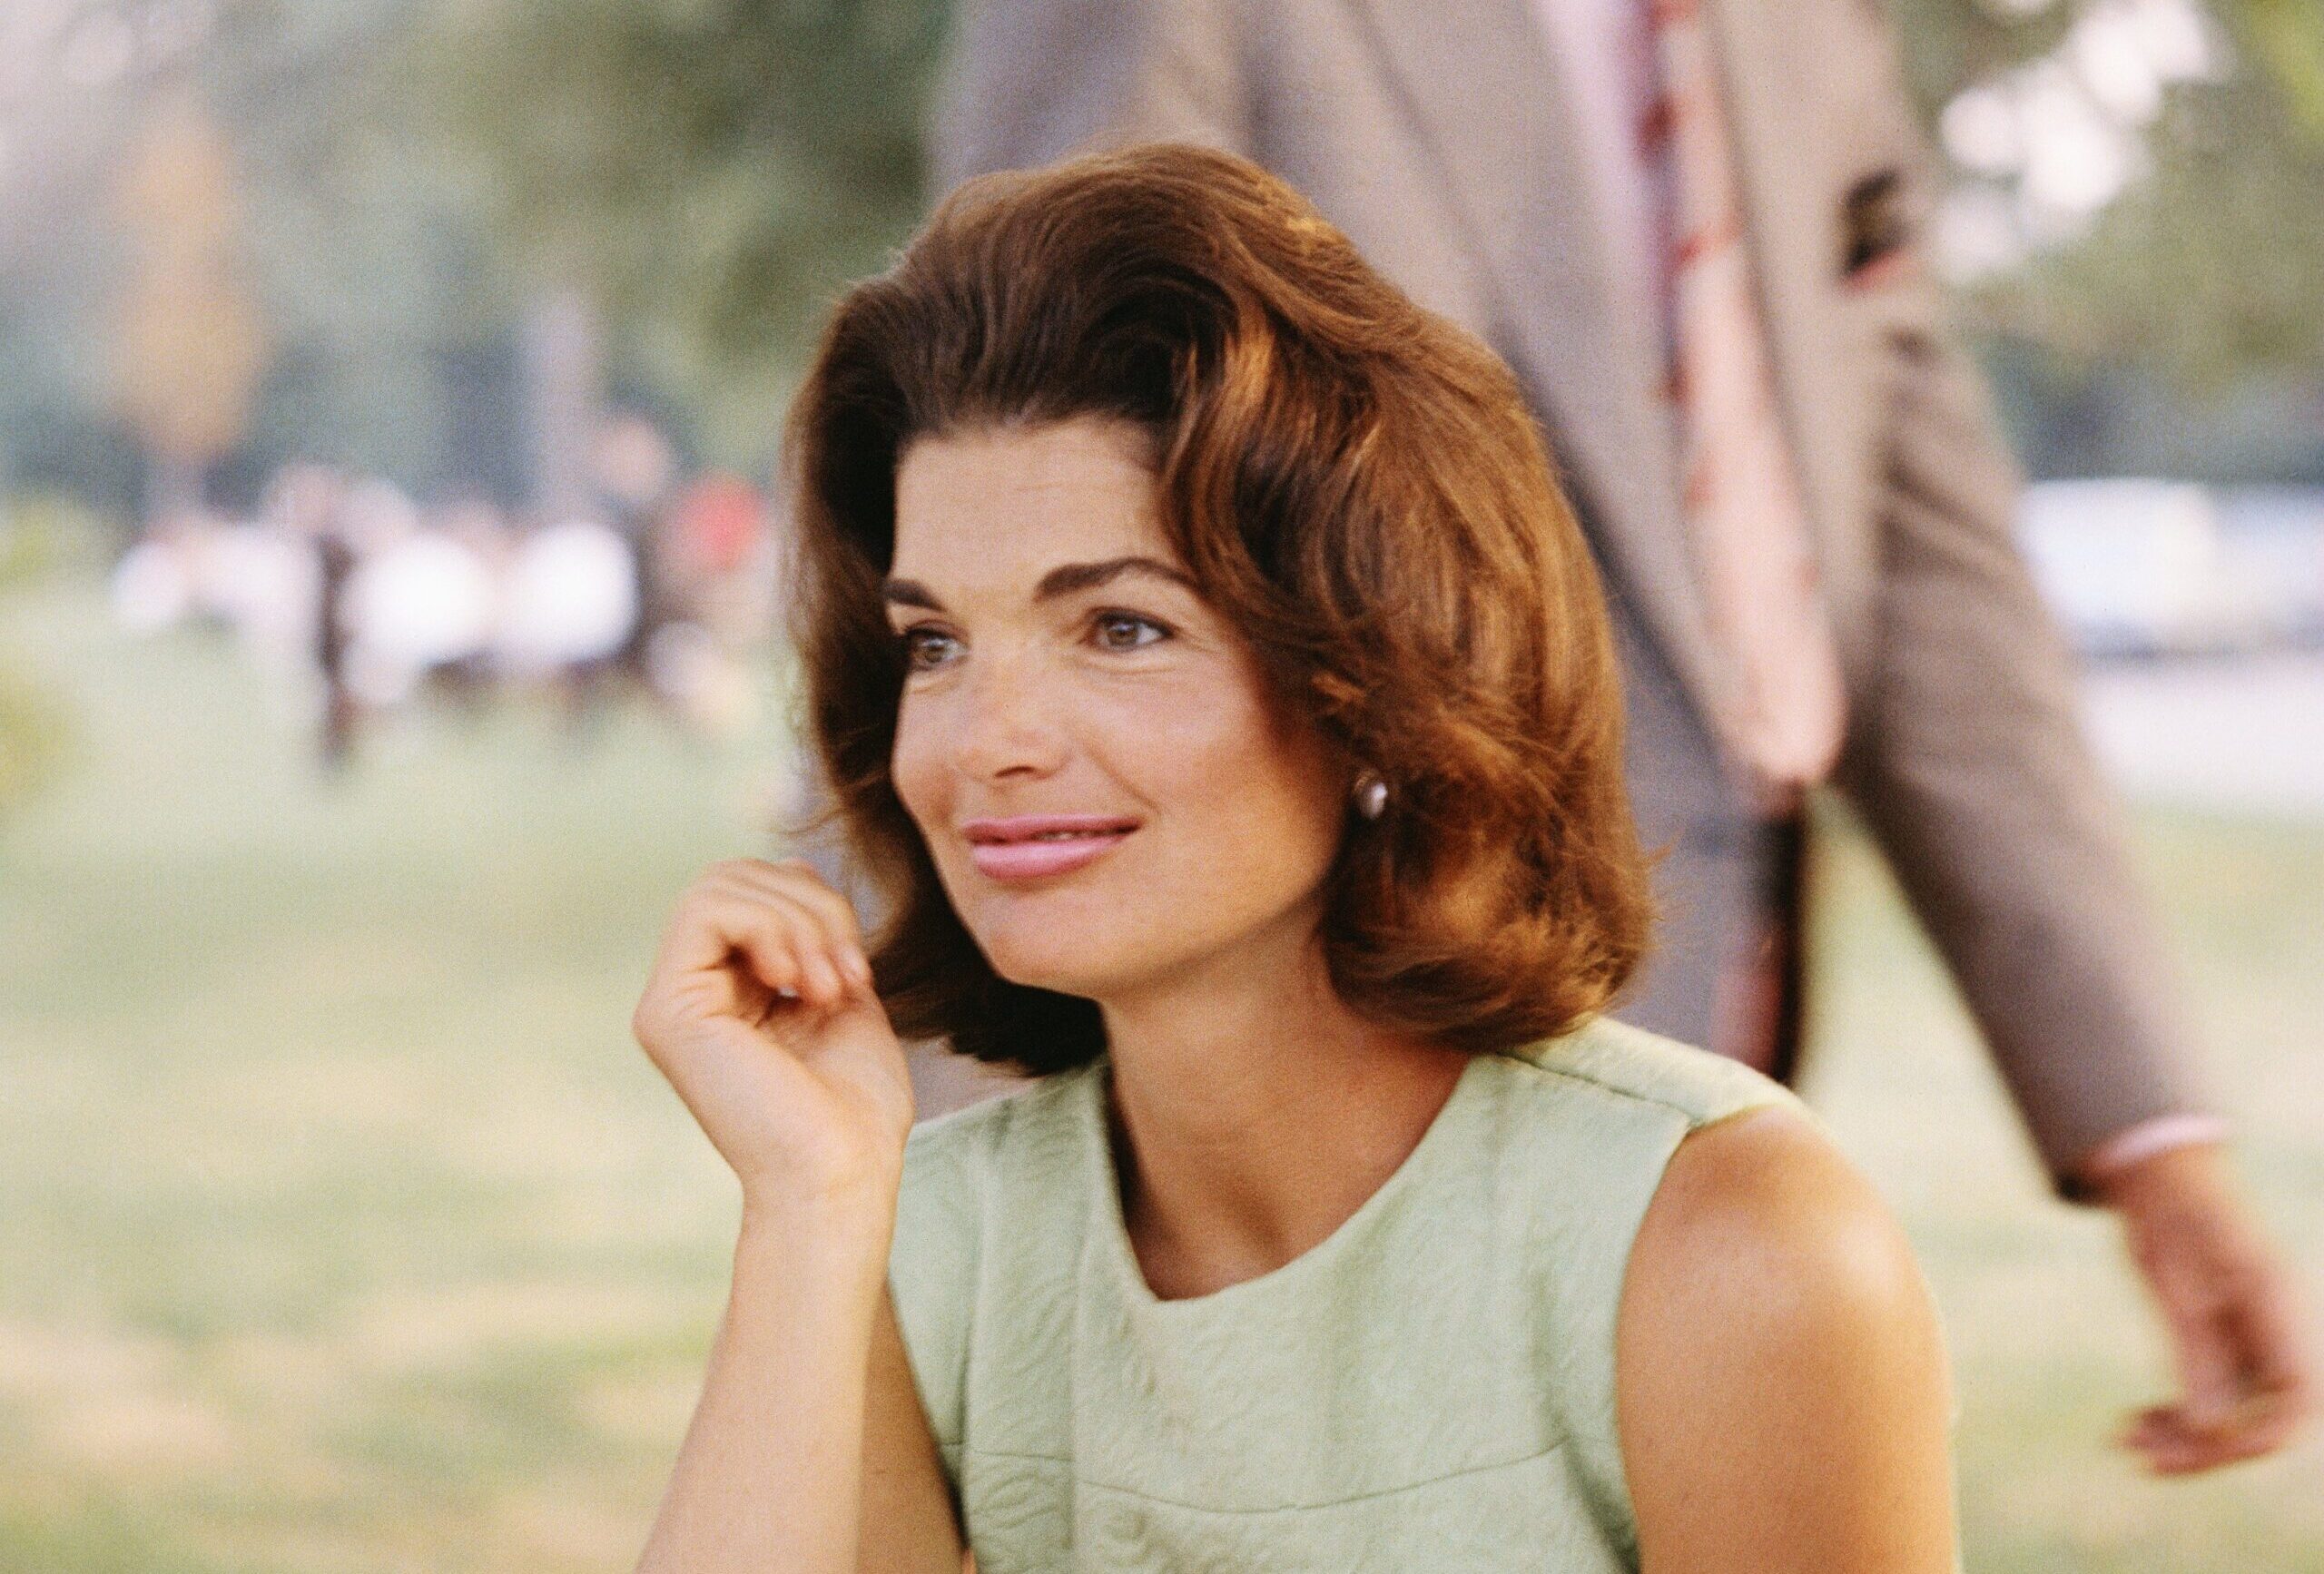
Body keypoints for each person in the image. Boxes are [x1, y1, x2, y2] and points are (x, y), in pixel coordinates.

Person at [932, 0, 2312, 1474]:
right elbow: (1032, 461)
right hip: (1334, 1063)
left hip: (1721, 1013)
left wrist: (2146, 1128)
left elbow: (1912, 532)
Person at [631, 145, 1958, 1572]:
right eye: (936, 643)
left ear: (1374, 677)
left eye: (1121, 627)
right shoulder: (926, 1249)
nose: (985, 744)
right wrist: (809, 1206)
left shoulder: (1731, 1251)